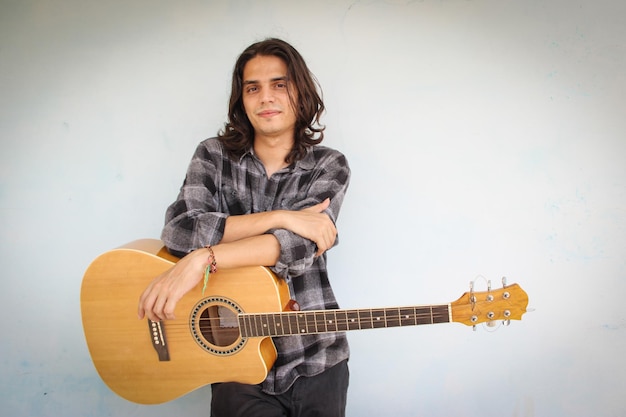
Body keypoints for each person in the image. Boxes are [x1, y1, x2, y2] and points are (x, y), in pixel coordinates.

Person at [137, 38, 351, 417]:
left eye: (279, 84)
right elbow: (181, 229)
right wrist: (280, 216)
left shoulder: (328, 165)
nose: (266, 97)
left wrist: (205, 257)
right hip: (234, 362)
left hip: (316, 356)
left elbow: (297, 247)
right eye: (253, 88)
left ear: (301, 93)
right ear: (242, 100)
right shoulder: (213, 156)